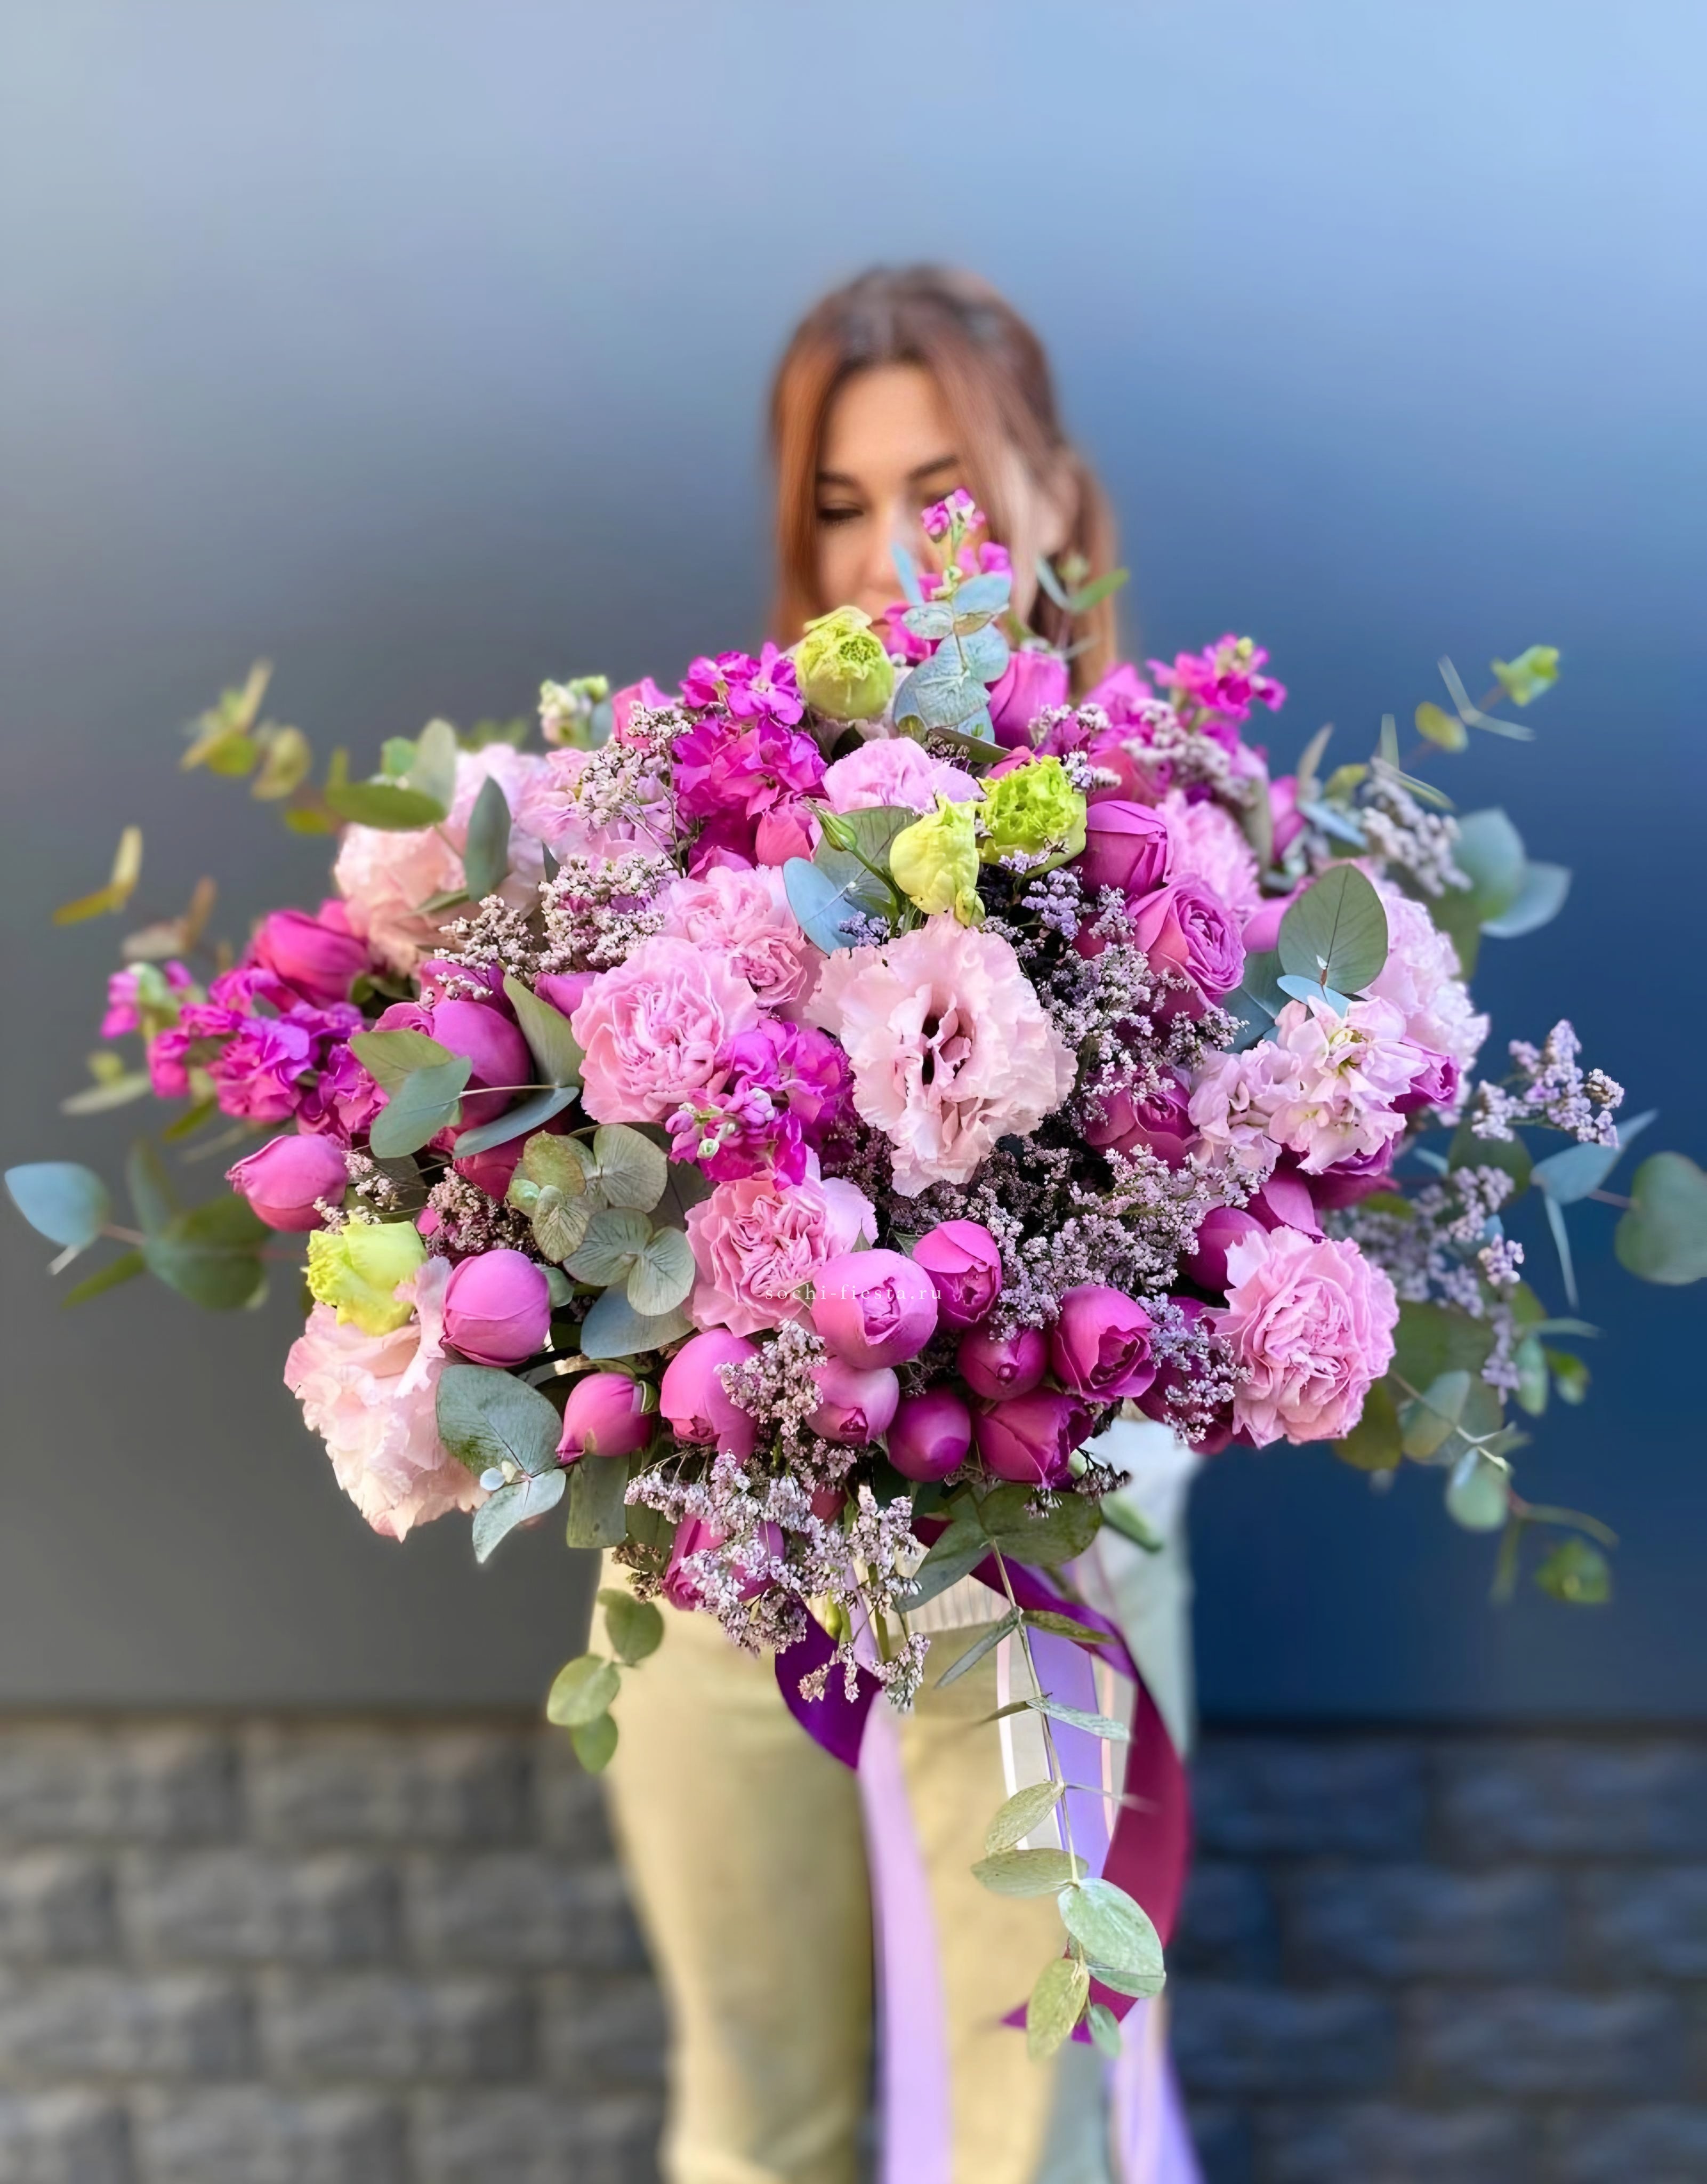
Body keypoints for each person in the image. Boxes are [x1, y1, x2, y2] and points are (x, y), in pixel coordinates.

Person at [602, 265, 1201, 2184]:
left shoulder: (1185, 840)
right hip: (731, 1586)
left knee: (1040, 2137)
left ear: (1054, 498)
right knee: (751, 2122)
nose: (885, 556)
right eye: (839, 506)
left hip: (1052, 1574)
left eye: (939, 493)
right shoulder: (702, 829)